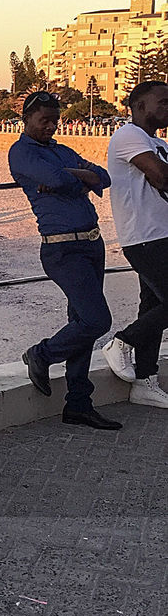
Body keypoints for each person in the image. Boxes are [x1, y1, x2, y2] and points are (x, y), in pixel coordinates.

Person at [7, 90, 119, 430]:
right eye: (44, 120)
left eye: (55, 120)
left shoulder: (60, 150)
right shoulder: (21, 152)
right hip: (61, 249)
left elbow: (104, 176)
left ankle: (78, 404)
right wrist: (76, 177)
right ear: (27, 119)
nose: (51, 126)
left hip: (91, 243)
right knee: (97, 321)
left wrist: (72, 176)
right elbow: (57, 179)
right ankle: (41, 355)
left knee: (82, 322)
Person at [100, 80, 168, 409]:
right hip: (145, 237)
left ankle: (145, 382)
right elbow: (162, 177)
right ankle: (121, 342)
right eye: (163, 102)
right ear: (140, 106)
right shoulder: (129, 136)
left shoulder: (156, 141)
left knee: (154, 307)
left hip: (162, 234)